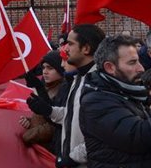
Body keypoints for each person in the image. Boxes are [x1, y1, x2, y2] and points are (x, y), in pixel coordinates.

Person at [27, 24, 105, 167]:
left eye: (70, 44)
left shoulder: (99, 83)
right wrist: (48, 110)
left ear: (86, 48)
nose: (65, 48)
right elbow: (72, 116)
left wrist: (72, 158)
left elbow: (103, 134)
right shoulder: (79, 79)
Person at [79, 35, 151, 167]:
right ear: (110, 67)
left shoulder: (128, 91)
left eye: (138, 61)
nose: (141, 68)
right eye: (132, 62)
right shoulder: (96, 101)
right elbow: (138, 136)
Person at [19, 51, 65, 153]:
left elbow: (54, 125)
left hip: (52, 151)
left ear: (60, 68)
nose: (45, 71)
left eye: (50, 68)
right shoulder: (47, 87)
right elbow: (44, 117)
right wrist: (30, 121)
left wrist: (28, 135)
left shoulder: (63, 91)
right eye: (43, 67)